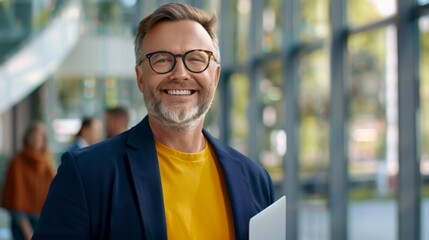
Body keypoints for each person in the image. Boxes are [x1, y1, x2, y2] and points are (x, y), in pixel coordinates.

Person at [33, 3, 274, 239]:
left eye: (197, 59)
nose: (180, 73)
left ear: (216, 76)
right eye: (161, 60)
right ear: (140, 79)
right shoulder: (86, 175)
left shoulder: (254, 179)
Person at [1, 121, 56, 240]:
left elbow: (55, 193)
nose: (36, 139)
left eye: (39, 136)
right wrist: (28, 232)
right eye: (33, 136)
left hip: (43, 221)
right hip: (21, 223)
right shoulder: (17, 161)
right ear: (27, 138)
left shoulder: (47, 162)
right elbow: (16, 200)